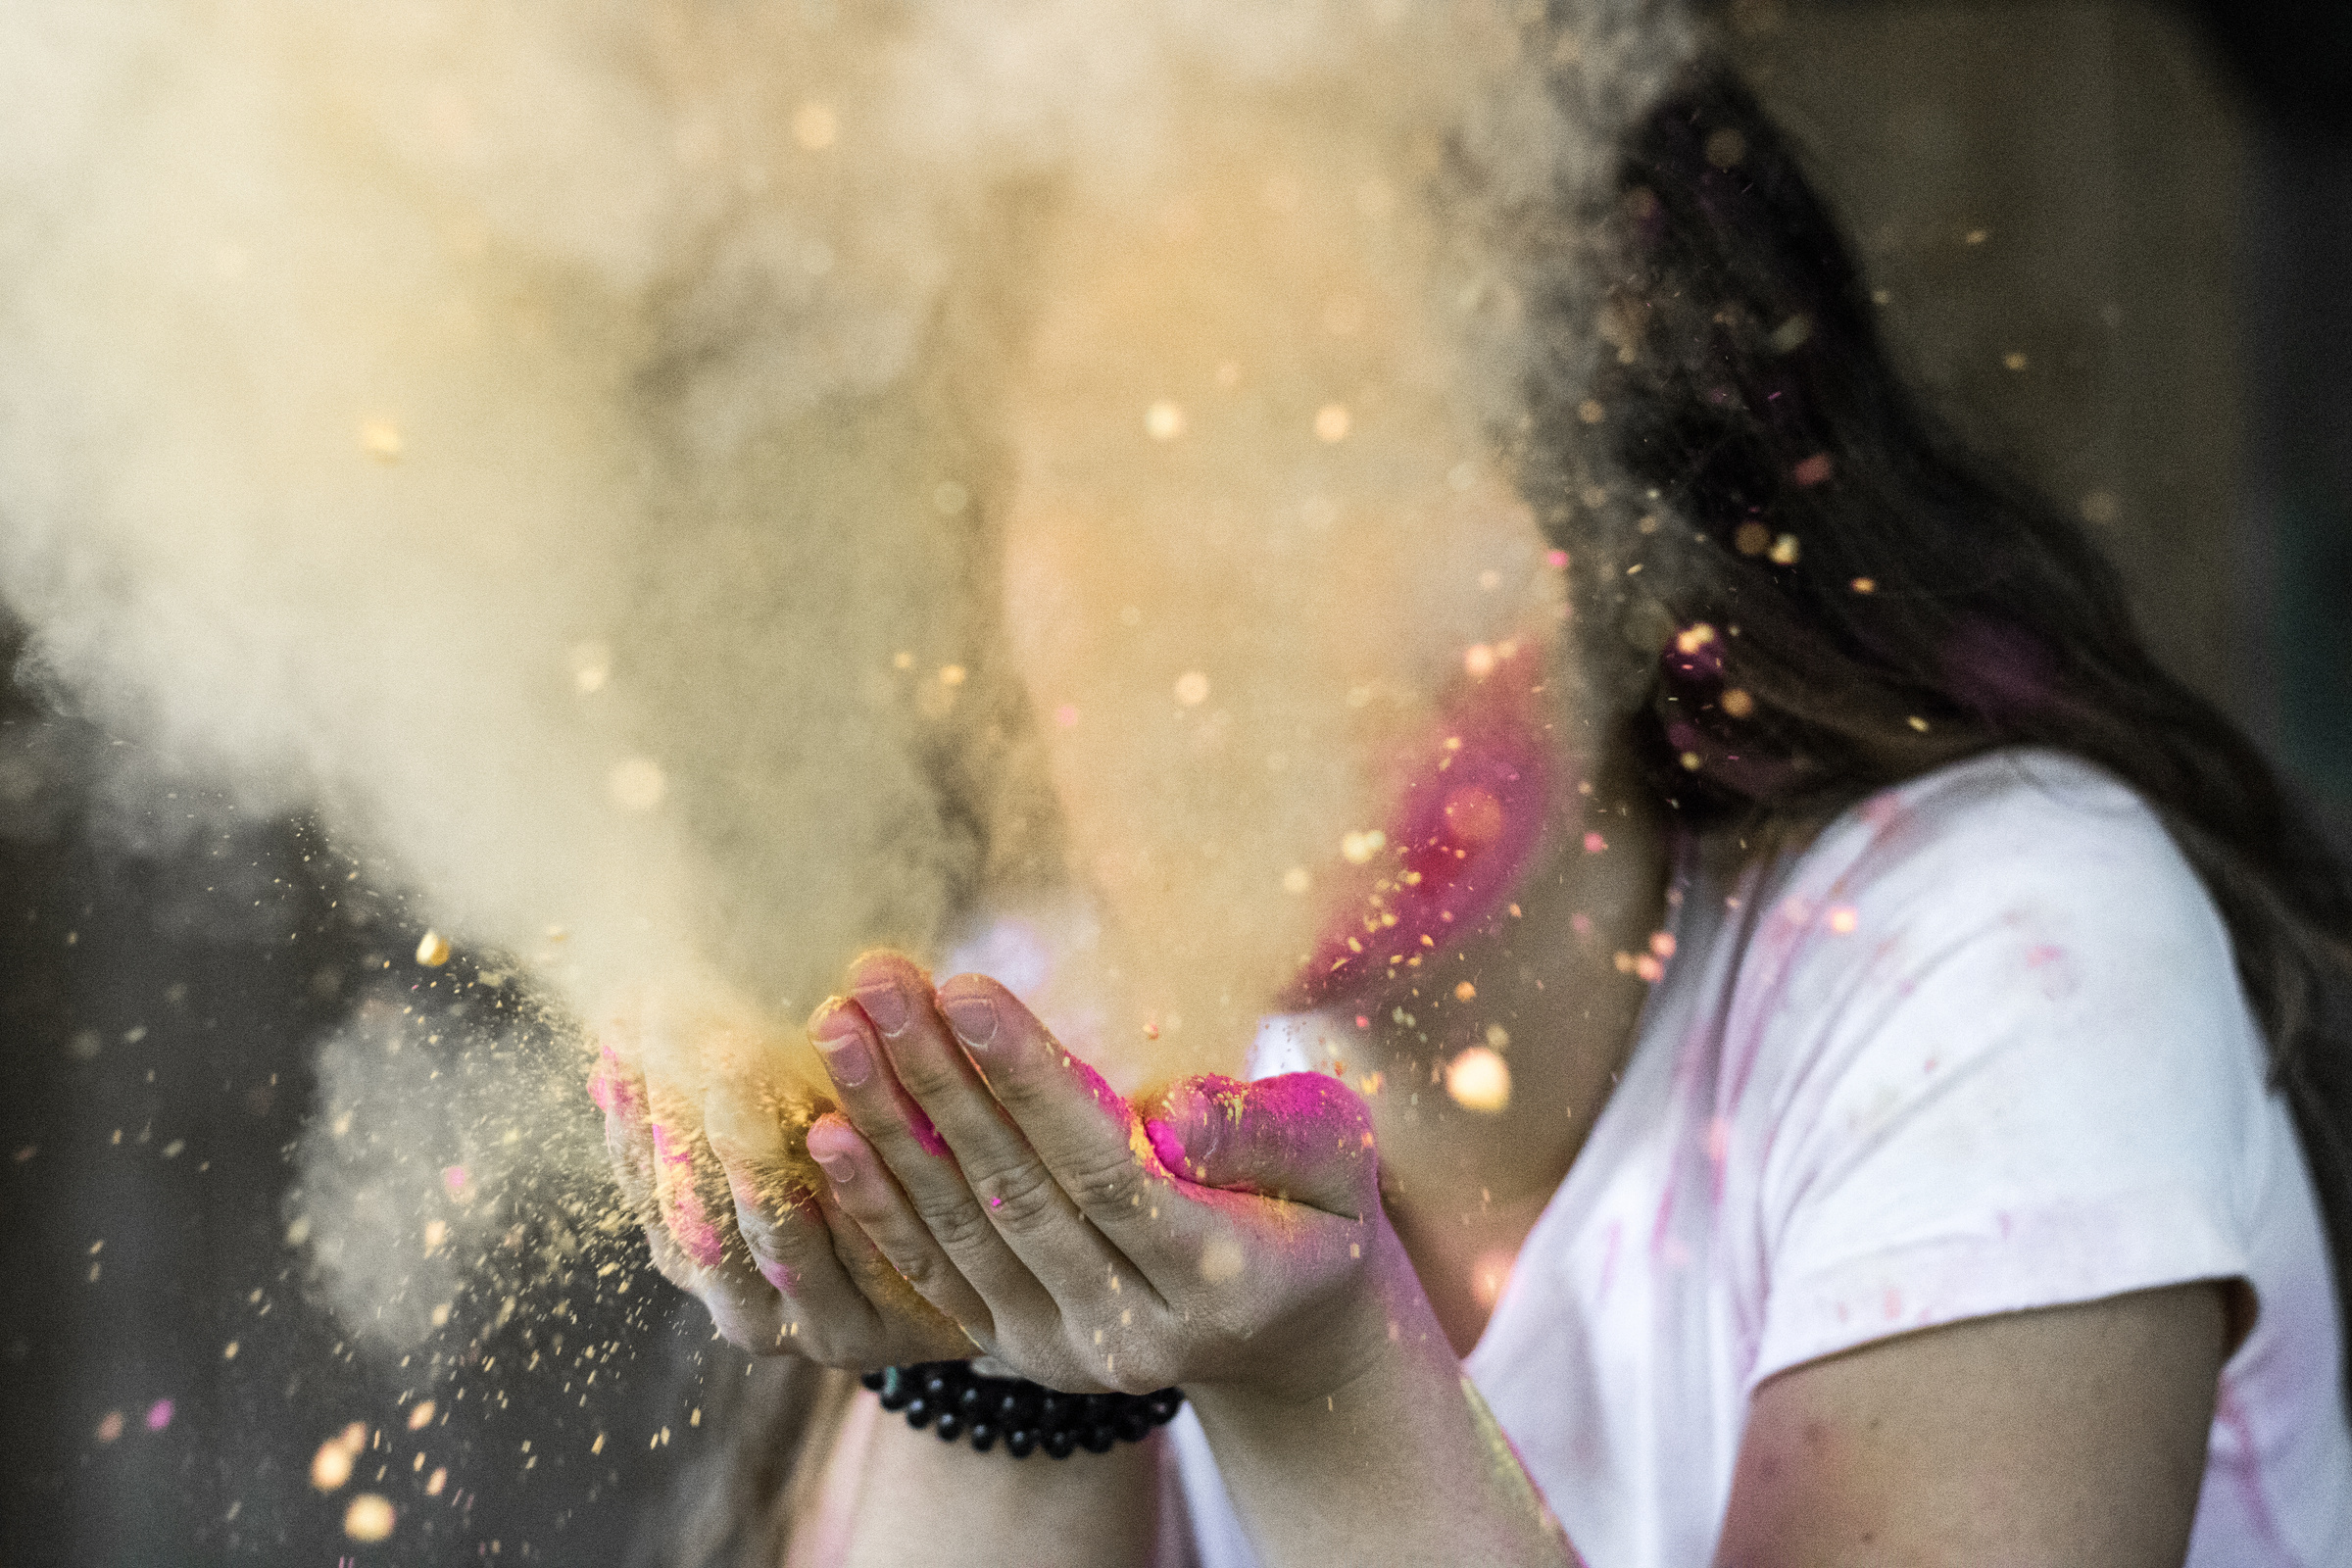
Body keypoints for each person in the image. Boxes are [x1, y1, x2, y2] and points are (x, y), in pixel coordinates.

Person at [599, 60, 2352, 1568]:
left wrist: (1327, 1380)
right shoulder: (1030, 1016)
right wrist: (990, 1364)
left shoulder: (2002, 954)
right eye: (1108, 459)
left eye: (1319, 443)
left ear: (1629, 520)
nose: (1185, 593)